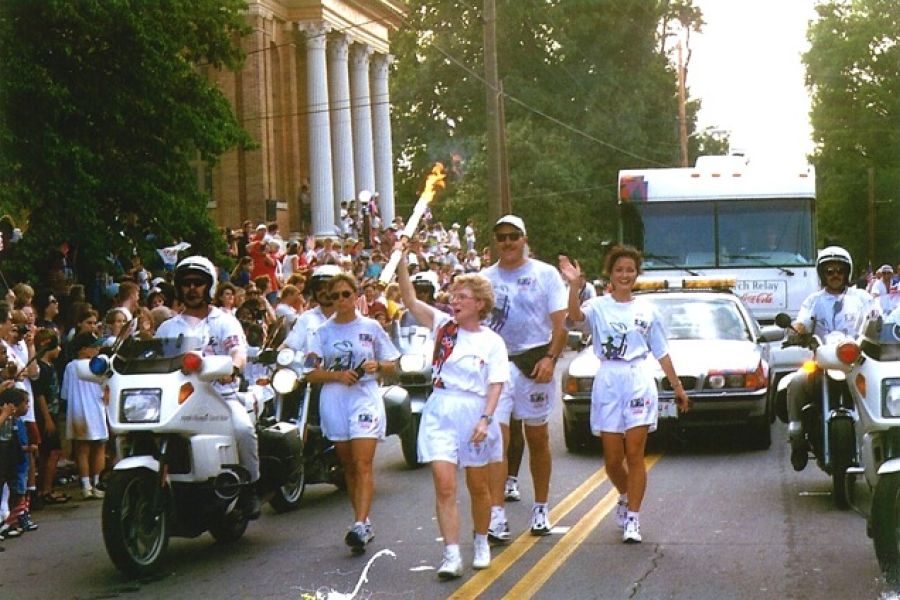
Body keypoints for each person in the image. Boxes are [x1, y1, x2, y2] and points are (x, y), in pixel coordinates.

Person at [560, 246, 689, 543]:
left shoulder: (647, 311)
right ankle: (624, 495)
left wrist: (677, 387)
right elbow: (575, 317)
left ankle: (633, 518)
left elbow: (662, 351)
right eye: (619, 270)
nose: (625, 275)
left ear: (636, 274)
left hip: (638, 378)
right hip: (608, 379)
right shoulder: (598, 306)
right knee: (612, 459)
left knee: (635, 454)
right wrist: (574, 286)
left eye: (630, 270)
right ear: (611, 273)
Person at [396, 242, 507, 578]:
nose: (454, 302)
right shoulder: (444, 326)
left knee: (479, 486)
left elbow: (496, 383)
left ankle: (482, 540)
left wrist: (486, 420)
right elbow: (410, 300)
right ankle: (451, 554)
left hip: (475, 412)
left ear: (480, 304)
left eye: (463, 297)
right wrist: (401, 261)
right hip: (441, 407)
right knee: (444, 485)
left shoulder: (492, 341)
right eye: (453, 296)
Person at [155, 256, 261, 519]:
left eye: (198, 283)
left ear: (209, 286)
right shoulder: (168, 326)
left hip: (219, 395)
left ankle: (250, 490)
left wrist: (233, 368)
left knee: (244, 429)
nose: (192, 288)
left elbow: (238, 351)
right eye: (186, 283)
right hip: (178, 400)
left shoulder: (224, 321)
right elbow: (155, 361)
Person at [482, 215, 568, 540]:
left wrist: (550, 358)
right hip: (498, 366)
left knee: (537, 440)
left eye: (513, 236)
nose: (507, 242)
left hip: (534, 363)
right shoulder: (484, 278)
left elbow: (561, 325)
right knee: (498, 441)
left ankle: (541, 508)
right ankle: (497, 516)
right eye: (501, 237)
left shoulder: (545, 274)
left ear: (524, 237)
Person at [305, 273, 399, 554]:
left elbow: (393, 363)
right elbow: (309, 372)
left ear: (355, 295)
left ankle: (359, 524)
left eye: (346, 294)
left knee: (362, 463)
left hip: (364, 397)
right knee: (347, 465)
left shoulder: (370, 327)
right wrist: (336, 375)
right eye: (334, 296)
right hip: (335, 398)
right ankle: (364, 520)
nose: (340, 301)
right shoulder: (321, 332)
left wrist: (378, 366)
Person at [786, 246, 876, 471]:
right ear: (822, 274)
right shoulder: (814, 300)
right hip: (822, 362)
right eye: (829, 271)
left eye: (839, 270)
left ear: (847, 272)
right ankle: (797, 437)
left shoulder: (863, 298)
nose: (834, 275)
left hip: (857, 363)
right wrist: (796, 330)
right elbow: (803, 321)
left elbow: (877, 319)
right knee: (796, 383)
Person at [61, 331, 107, 500]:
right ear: (84, 349)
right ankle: (96, 484)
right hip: (95, 409)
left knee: (82, 450)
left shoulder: (70, 367)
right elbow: (105, 389)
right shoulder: (100, 365)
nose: (97, 349)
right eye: (94, 346)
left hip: (77, 412)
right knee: (99, 448)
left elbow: (65, 394)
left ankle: (86, 486)